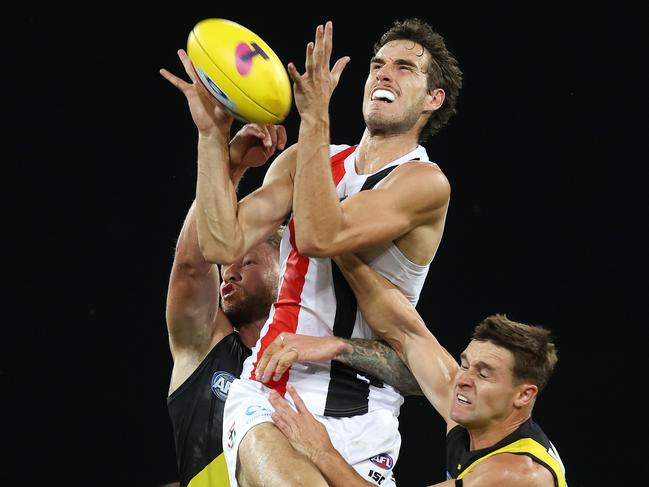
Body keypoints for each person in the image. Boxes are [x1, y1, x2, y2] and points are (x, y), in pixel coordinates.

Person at [163, 16, 462, 486]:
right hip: (272, 392)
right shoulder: (306, 159)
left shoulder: (424, 183)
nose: (384, 74)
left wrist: (315, 115)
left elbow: (323, 234)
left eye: (405, 68)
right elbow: (221, 242)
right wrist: (211, 139)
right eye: (378, 65)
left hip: (367, 418)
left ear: (433, 100)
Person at [265, 253, 568, 486]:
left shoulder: (516, 473)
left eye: (484, 373)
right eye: (465, 364)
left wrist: (321, 452)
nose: (464, 379)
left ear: (523, 395)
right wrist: (336, 250)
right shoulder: (474, 410)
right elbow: (406, 331)